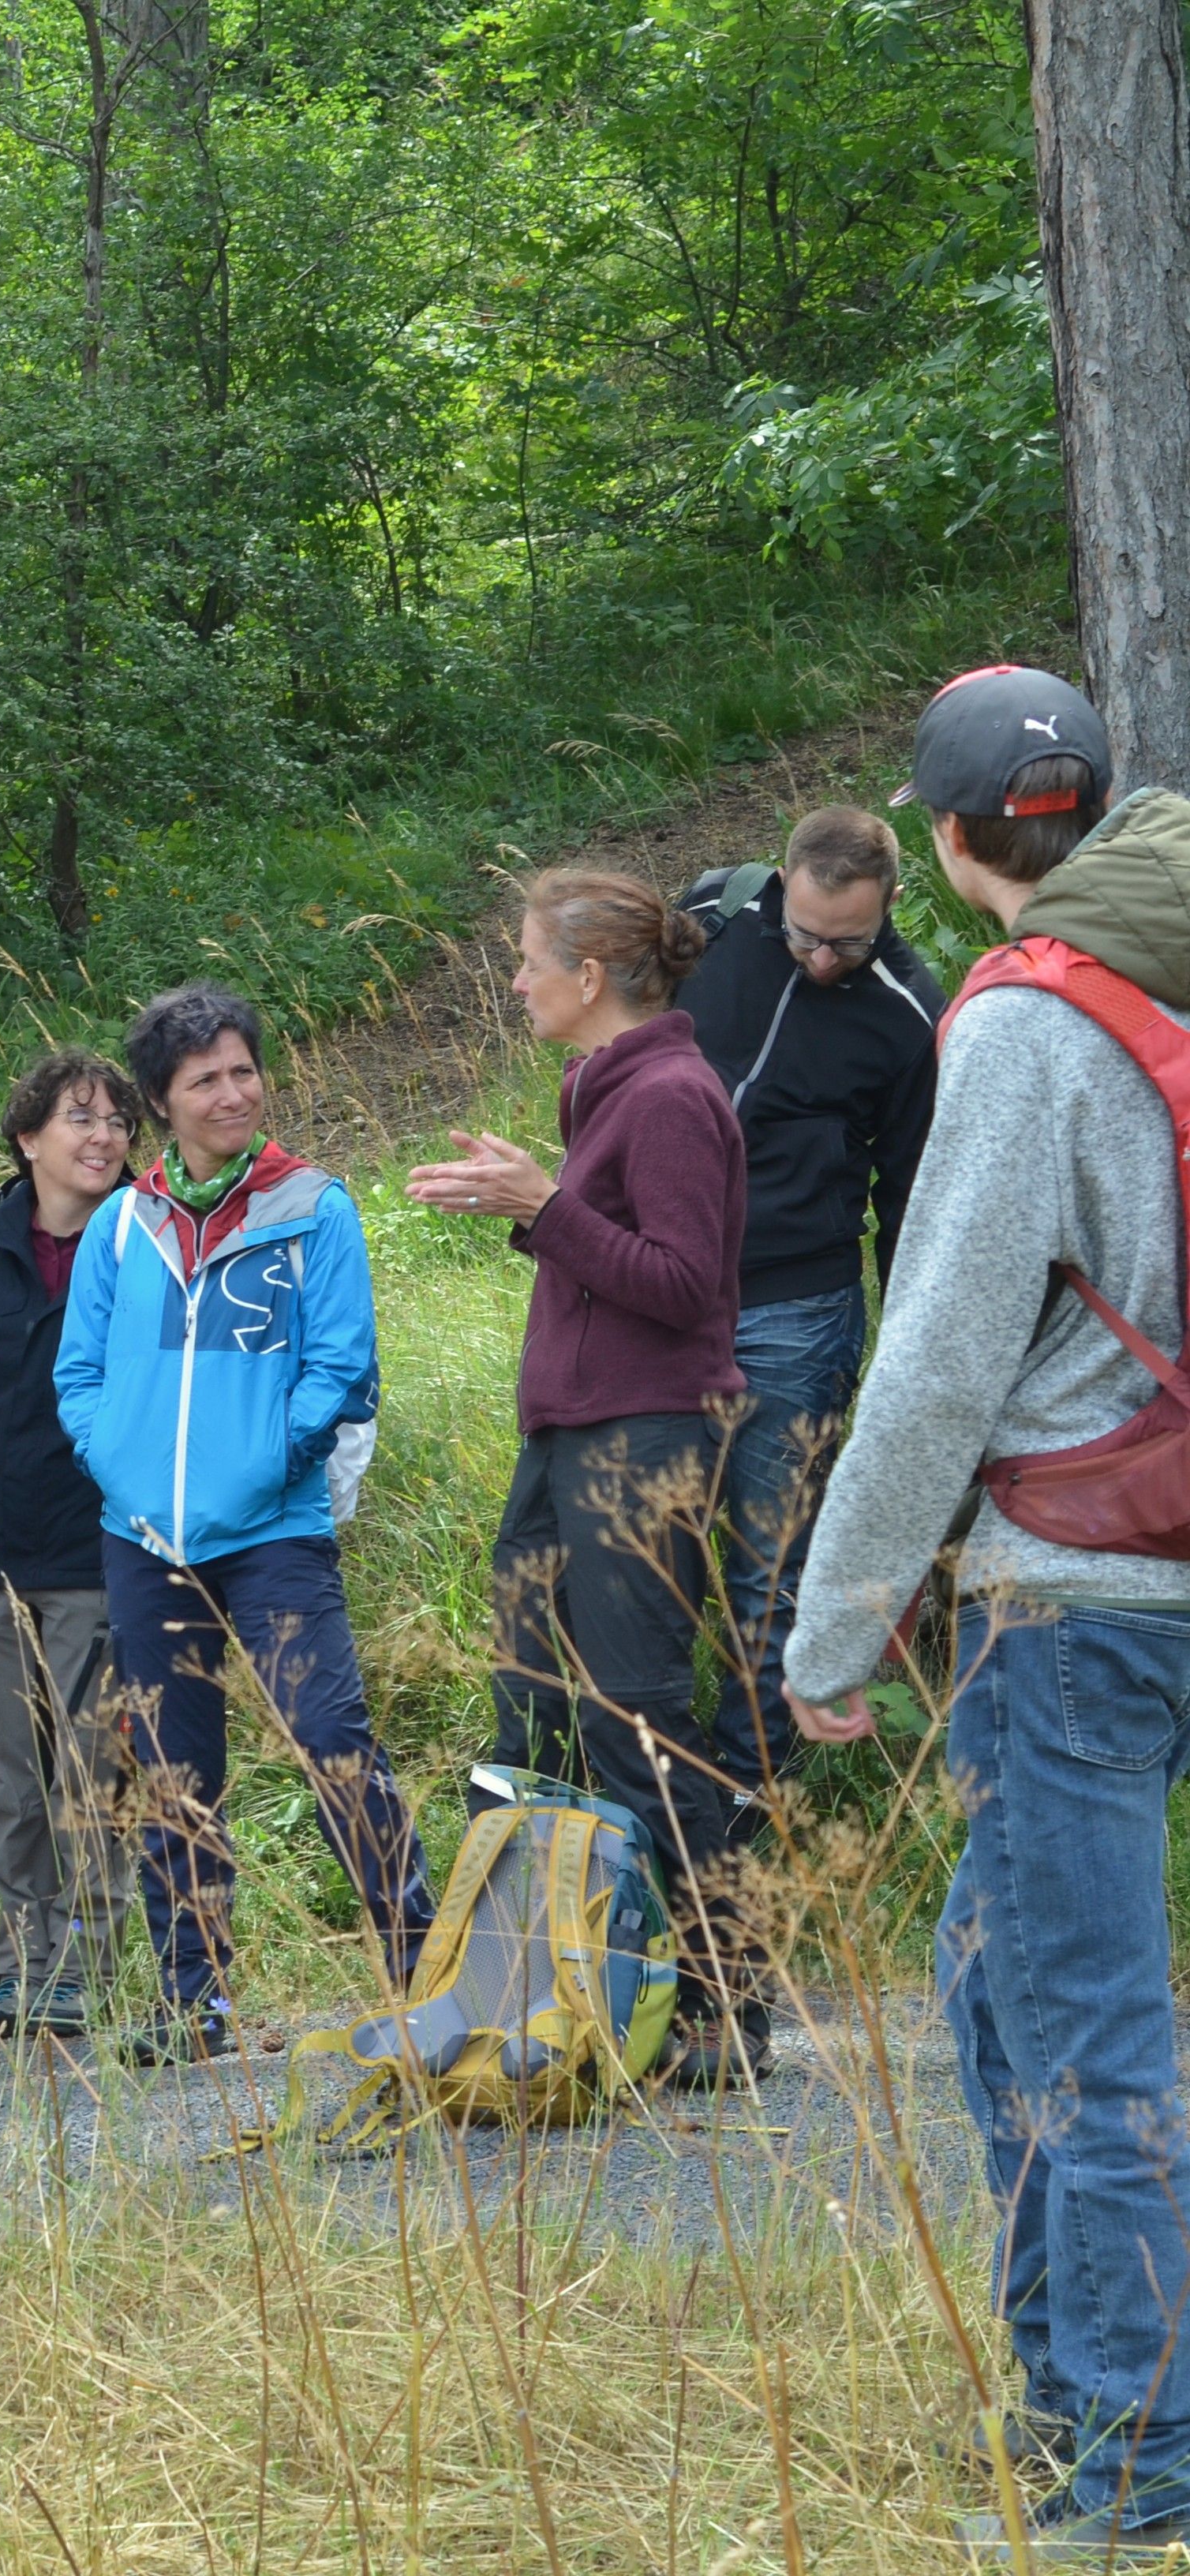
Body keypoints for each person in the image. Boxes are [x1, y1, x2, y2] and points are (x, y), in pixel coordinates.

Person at [788, 668, 1190, 2560]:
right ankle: (1066, 2397)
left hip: (1083, 1584)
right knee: (992, 1972)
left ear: (949, 845)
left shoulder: (1029, 1023)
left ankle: (1128, 2456)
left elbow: (943, 1354)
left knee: (1089, 2034)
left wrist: (837, 1619)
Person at [407, 872, 758, 2081]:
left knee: (641, 1722)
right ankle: (559, 1982)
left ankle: (725, 2005)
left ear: (591, 975)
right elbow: (610, 1254)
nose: (515, 980)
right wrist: (537, 1201)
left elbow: (684, 1285)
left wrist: (546, 1203)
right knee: (534, 1712)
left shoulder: (668, 1091)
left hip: (645, 1438)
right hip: (572, 1435)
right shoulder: (599, 1084)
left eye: (526, 959)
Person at [53, 982, 431, 2065]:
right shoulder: (123, 1224)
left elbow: (341, 1370)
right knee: (173, 1771)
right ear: (162, 1103)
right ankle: (191, 2003)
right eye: (202, 1079)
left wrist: (263, 1468)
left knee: (333, 1748)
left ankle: (426, 1977)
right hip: (144, 1541)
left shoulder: (314, 1206)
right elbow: (79, 1374)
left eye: (242, 1071)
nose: (230, 1093)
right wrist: (116, 1462)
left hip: (274, 1534)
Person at [673, 804, 941, 1941]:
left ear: (887, 911)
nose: (825, 959)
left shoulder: (909, 1012)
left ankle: (745, 1824)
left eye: (852, 941)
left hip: (796, 1305)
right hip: (665, 1288)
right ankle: (637, 1802)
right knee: (645, 1549)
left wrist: (902, 1350)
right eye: (809, 935)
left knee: (767, 1577)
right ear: (778, 888)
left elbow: (911, 1199)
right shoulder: (714, 923)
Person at [0, 1050, 142, 2042]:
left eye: (115, 1121)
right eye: (79, 1118)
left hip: (100, 1548)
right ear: (28, 1139)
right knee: (8, 1777)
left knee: (90, 1778)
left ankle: (86, 1972)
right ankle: (21, 1966)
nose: (102, 1136)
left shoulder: (152, 1241)